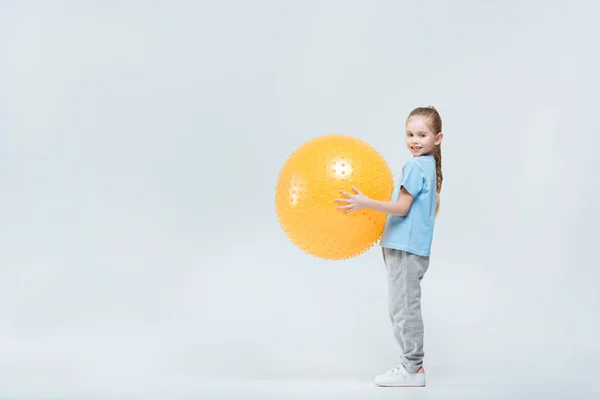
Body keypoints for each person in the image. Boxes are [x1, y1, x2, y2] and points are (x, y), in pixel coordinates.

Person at [335, 106, 444, 387]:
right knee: (400, 308)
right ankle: (411, 366)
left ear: (438, 138)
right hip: (406, 248)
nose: (415, 140)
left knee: (404, 309)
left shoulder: (415, 166)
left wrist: (364, 202)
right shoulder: (428, 166)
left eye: (422, 134)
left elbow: (401, 207)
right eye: (410, 134)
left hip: (406, 249)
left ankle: (412, 368)